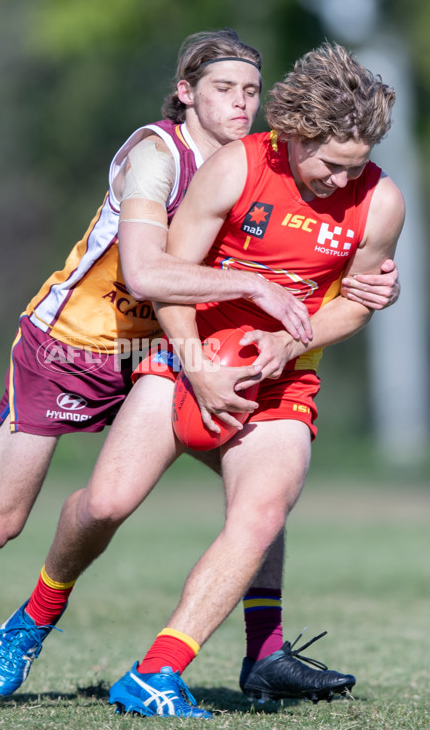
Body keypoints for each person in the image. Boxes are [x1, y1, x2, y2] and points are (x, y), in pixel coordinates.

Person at [0, 28, 397, 694]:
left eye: (250, 92)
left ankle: (261, 648)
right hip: (79, 346)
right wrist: (254, 288)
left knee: (262, 494)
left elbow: (346, 278)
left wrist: (336, 308)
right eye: (224, 90)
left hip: (167, 348)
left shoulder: (293, 170)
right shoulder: (161, 156)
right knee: (2, 523)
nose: (239, 107)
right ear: (186, 93)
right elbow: (145, 273)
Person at [103, 42, 404, 717]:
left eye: (354, 167)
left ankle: (156, 673)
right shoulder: (236, 166)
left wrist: (281, 339)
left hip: (282, 383)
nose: (340, 179)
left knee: (263, 513)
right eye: (330, 163)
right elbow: (168, 279)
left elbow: (358, 302)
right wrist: (197, 365)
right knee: (106, 504)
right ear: (297, 135)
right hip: (187, 355)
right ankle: (40, 608)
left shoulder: (381, 199)